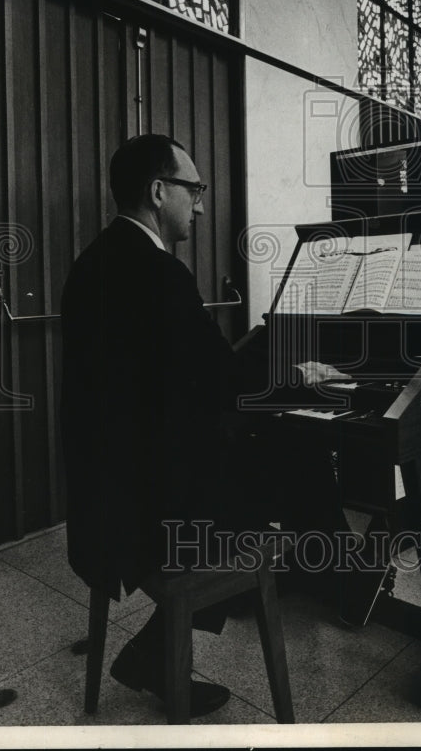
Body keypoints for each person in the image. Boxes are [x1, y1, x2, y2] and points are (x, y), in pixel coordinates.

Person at [60, 134, 347, 718]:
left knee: (263, 454)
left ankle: (162, 645)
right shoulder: (160, 274)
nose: (199, 202)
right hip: (151, 511)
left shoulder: (90, 265)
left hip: (101, 500)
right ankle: (340, 579)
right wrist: (297, 373)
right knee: (302, 457)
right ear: (158, 191)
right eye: (193, 189)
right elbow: (222, 381)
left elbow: (165, 386)